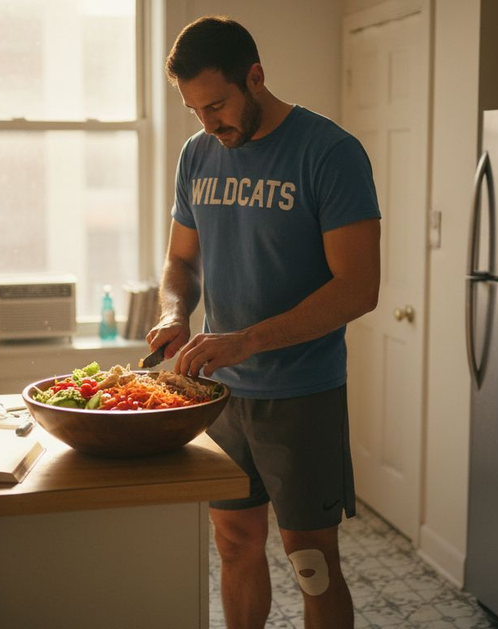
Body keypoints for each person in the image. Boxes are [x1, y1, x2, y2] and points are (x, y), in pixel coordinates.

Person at [148, 15, 381, 629]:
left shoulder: (330, 153)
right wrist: (175, 311)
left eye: (218, 105)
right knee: (233, 545)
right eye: (196, 111)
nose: (209, 124)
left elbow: (359, 288)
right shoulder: (198, 155)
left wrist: (246, 340)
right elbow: (180, 259)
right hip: (219, 396)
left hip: (301, 391)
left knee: (312, 562)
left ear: (255, 77)